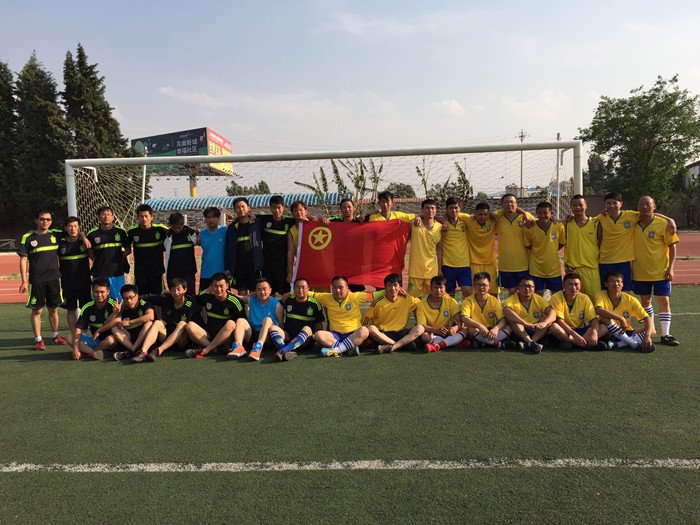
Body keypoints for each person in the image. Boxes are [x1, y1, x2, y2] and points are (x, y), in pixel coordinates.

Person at [632, 196, 680, 346]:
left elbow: (672, 246)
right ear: (637, 207)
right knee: (645, 301)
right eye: (641, 204)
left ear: (654, 206)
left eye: (648, 204)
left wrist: (671, 268)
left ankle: (666, 334)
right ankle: (650, 330)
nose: (644, 206)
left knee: (664, 300)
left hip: (661, 272)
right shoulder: (633, 222)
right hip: (640, 272)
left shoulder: (663, 224)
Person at [18, 210, 68, 350]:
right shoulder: (28, 237)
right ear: (36, 220)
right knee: (37, 310)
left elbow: (73, 231)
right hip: (37, 280)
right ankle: (38, 340)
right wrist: (24, 281)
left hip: (54, 279)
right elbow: (23, 259)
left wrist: (83, 236)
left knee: (53, 309)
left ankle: (55, 336)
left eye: (48, 219)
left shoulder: (56, 234)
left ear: (51, 221)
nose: (45, 221)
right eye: (42, 219)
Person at [312, 275, 383, 357]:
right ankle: (347, 349)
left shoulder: (356, 297)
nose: (337, 290)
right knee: (318, 335)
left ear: (347, 288)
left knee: (364, 330)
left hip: (353, 334)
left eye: (340, 287)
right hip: (335, 335)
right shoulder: (326, 297)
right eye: (334, 287)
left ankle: (337, 350)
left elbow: (376, 294)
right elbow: (308, 293)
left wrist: (393, 290)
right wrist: (297, 290)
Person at [131, 277, 198, 362]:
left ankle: (158, 350)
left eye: (178, 289)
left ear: (185, 290)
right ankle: (143, 352)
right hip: (166, 337)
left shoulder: (191, 302)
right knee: (157, 322)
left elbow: (201, 299)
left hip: (181, 341)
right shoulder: (166, 298)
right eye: (173, 290)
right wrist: (131, 300)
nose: (176, 293)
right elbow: (147, 297)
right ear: (169, 291)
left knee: (182, 323)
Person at [185, 273, 247, 358]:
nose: (218, 289)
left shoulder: (235, 301)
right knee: (190, 325)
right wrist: (170, 293)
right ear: (211, 286)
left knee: (231, 323)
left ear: (227, 286)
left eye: (221, 286)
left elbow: (242, 323)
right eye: (215, 286)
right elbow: (192, 300)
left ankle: (206, 350)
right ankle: (215, 349)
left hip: (226, 339)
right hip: (209, 336)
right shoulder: (206, 296)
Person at [362, 273, 424, 353]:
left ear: (400, 287)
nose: (392, 288)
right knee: (371, 329)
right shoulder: (377, 303)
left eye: (395, 285)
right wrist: (365, 333)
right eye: (389, 285)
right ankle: (401, 345)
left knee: (420, 328)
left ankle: (391, 346)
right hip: (383, 334)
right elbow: (366, 318)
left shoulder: (407, 299)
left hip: (401, 333)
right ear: (385, 287)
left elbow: (422, 305)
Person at [594, 270, 655, 353]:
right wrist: (620, 318)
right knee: (605, 319)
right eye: (612, 281)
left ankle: (618, 344)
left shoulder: (631, 300)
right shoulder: (600, 295)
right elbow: (599, 310)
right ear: (606, 284)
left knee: (651, 330)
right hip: (608, 332)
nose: (616, 284)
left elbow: (648, 319)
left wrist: (647, 336)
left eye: (618, 281)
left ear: (622, 284)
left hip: (624, 332)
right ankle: (633, 344)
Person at [548, 272, 608, 351]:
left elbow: (593, 320)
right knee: (554, 327)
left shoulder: (584, 297)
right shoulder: (556, 297)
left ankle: (574, 344)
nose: (573, 288)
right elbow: (559, 321)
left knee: (604, 328)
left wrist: (594, 333)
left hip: (580, 330)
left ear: (580, 286)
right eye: (570, 284)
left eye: (576, 284)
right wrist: (574, 335)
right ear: (563, 285)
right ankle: (583, 344)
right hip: (564, 331)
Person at [269, 277, 325, 361]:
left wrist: (319, 341)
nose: (300, 290)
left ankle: (283, 351)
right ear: (294, 289)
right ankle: (286, 350)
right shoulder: (287, 300)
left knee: (307, 328)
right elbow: (273, 303)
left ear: (308, 289)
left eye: (303, 287)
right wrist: (257, 296)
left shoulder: (315, 304)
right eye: (297, 287)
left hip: (304, 341)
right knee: (272, 328)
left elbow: (319, 324)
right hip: (288, 337)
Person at [227, 278, 283, 361]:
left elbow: (281, 325)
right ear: (255, 291)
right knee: (240, 320)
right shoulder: (252, 299)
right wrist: (227, 293)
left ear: (270, 290)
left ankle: (259, 346)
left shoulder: (277, 305)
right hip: (253, 334)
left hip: (268, 338)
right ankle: (239, 347)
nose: (262, 292)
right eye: (259, 290)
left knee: (267, 320)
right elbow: (238, 298)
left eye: (264, 289)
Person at [503, 275, 557, 353]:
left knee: (548, 319)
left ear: (534, 288)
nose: (527, 289)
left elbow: (553, 313)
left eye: (530, 286)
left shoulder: (539, 299)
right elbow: (507, 312)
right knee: (512, 320)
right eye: (524, 286)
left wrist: (544, 323)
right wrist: (525, 324)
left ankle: (530, 343)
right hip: (520, 331)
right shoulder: (511, 299)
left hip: (536, 330)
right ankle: (531, 343)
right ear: (518, 287)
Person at [460, 272, 514, 350]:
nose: (481, 287)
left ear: (489, 286)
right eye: (478, 285)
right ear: (474, 286)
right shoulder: (468, 300)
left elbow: (503, 319)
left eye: (484, 285)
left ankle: (484, 342)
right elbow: (465, 318)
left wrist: (496, 329)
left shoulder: (493, 300)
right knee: (471, 329)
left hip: (490, 330)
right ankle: (499, 344)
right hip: (477, 330)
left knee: (509, 327)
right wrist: (480, 326)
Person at [58, 216, 92, 336]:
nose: (73, 229)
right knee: (70, 309)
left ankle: (85, 333)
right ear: (65, 228)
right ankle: (74, 334)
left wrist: (84, 237)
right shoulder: (60, 242)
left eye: (75, 226)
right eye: (70, 226)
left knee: (85, 308)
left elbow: (93, 256)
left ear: (79, 227)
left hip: (84, 282)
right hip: (67, 283)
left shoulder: (84, 242)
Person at [86, 206, 130, 299]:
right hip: (99, 272)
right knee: (99, 299)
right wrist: (98, 260)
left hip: (117, 272)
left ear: (113, 217)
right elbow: (90, 252)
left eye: (108, 214)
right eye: (103, 214)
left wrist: (120, 257)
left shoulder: (121, 232)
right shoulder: (92, 234)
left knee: (118, 299)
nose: (106, 216)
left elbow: (128, 249)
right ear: (98, 217)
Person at [416, 275, 469, 353]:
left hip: (447, 332)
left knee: (465, 330)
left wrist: (455, 328)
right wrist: (436, 330)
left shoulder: (451, 301)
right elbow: (422, 326)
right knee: (425, 337)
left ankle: (437, 346)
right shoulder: (422, 304)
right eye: (435, 287)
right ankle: (453, 343)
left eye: (441, 288)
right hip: (432, 333)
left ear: (445, 289)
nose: (438, 290)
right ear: (430, 288)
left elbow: (460, 323)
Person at [70, 277, 119, 360]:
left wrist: (115, 313)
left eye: (102, 292)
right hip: (94, 341)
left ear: (108, 292)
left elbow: (118, 322)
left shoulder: (114, 304)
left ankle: (89, 352)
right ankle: (95, 353)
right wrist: (76, 349)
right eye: (96, 292)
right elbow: (78, 328)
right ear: (92, 292)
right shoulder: (87, 307)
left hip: (110, 340)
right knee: (70, 338)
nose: (99, 295)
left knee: (110, 340)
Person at [495, 194, 534, 296]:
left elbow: (539, 221)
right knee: (511, 293)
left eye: (512, 202)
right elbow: (489, 214)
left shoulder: (526, 217)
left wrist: (524, 213)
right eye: (506, 202)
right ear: (502, 205)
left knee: (525, 292)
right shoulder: (498, 219)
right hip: (506, 265)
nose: (509, 204)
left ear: (517, 204)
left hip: (523, 264)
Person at [523, 202, 565, 296]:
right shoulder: (529, 228)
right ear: (536, 213)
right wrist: (539, 252)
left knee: (557, 297)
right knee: (538, 297)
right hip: (536, 270)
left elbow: (562, 243)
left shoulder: (559, 226)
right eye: (540, 213)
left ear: (551, 214)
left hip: (554, 270)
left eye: (545, 213)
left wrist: (551, 250)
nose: (543, 216)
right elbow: (528, 245)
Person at [257, 196, 296, 295]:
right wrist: (235, 218)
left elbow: (304, 219)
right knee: (268, 292)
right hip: (267, 265)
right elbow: (248, 216)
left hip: (282, 265)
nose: (277, 210)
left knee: (285, 294)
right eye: (274, 207)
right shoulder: (264, 219)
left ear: (283, 207)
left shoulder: (289, 221)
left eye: (279, 207)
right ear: (270, 208)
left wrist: (317, 218)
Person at [224, 197, 264, 297]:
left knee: (254, 294)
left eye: (243, 206)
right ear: (234, 210)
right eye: (238, 207)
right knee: (241, 294)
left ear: (248, 208)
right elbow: (228, 248)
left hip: (254, 266)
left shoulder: (257, 223)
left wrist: (254, 216)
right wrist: (227, 267)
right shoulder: (232, 228)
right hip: (239, 267)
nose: (241, 209)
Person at [126, 204, 169, 295]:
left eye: (146, 216)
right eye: (141, 216)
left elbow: (175, 230)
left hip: (157, 272)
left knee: (159, 297)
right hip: (140, 272)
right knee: (140, 297)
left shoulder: (160, 229)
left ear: (151, 217)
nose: (144, 219)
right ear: (137, 217)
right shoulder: (131, 231)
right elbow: (124, 244)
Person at [563, 195, 600, 298]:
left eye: (580, 205)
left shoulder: (595, 224)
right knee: (574, 300)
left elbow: (601, 245)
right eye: (574, 205)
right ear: (571, 207)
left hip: (591, 268)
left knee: (595, 300)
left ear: (586, 206)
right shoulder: (566, 224)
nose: (577, 207)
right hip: (573, 269)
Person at [408, 199, 442, 297]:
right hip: (415, 270)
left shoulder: (440, 227)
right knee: (413, 300)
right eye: (427, 208)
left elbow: (439, 250)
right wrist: (418, 216)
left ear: (436, 210)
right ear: (422, 210)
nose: (430, 210)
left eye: (432, 208)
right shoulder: (414, 224)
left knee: (434, 297)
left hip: (432, 270)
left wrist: (439, 269)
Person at [111, 284, 155, 361]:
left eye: (131, 297)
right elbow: (111, 323)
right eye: (125, 298)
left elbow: (150, 316)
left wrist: (130, 322)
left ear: (137, 295)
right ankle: (135, 352)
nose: (129, 301)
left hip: (145, 337)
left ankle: (132, 351)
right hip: (131, 339)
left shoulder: (144, 303)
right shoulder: (122, 308)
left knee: (149, 323)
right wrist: (114, 314)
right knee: (114, 328)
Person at [439, 197, 472, 298]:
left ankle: (467, 310)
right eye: (450, 208)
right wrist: (439, 268)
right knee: (449, 295)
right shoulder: (442, 225)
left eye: (456, 208)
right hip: (447, 265)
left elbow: (476, 216)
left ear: (460, 208)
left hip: (464, 264)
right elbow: (439, 248)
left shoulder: (465, 222)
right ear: (446, 209)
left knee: (468, 293)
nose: (453, 210)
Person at [464, 202, 499, 295]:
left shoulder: (492, 220)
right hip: (474, 262)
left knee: (494, 292)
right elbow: (450, 212)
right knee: (475, 292)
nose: (483, 217)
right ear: (475, 213)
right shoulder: (469, 220)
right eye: (480, 214)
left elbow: (508, 210)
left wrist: (492, 214)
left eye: (485, 214)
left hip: (490, 262)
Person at [164, 212, 198, 295]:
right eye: (174, 227)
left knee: (190, 296)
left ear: (183, 225)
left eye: (179, 227)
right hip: (173, 273)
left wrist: (199, 233)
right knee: (175, 296)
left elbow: (201, 241)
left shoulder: (191, 234)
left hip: (188, 273)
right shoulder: (167, 236)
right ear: (170, 225)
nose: (177, 230)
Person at [198, 207, 226, 293]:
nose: (211, 220)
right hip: (206, 273)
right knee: (204, 298)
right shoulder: (201, 234)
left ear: (218, 218)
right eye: (208, 217)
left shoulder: (225, 231)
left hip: (222, 273)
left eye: (214, 217)